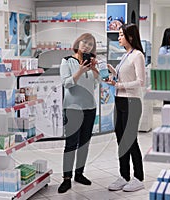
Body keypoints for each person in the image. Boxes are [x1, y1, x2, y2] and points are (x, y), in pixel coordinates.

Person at [58, 33, 100, 193]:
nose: (87, 46)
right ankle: (66, 178)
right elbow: (66, 83)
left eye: (90, 44)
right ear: (78, 42)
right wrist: (80, 71)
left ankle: (79, 174)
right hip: (73, 109)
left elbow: (95, 83)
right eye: (85, 42)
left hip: (90, 108)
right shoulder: (67, 60)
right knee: (70, 144)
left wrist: (94, 69)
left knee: (84, 144)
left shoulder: (89, 63)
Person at [106, 23, 146, 192]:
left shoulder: (138, 56)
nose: (119, 38)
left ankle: (138, 177)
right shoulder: (125, 55)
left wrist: (119, 84)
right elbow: (122, 76)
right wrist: (110, 71)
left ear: (130, 37)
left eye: (121, 35)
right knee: (121, 140)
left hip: (132, 102)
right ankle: (124, 175)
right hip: (120, 101)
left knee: (130, 141)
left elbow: (140, 82)